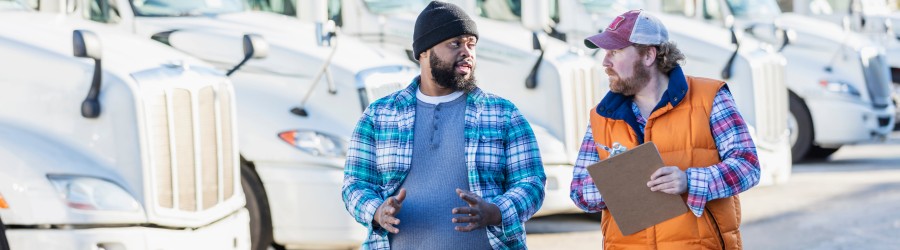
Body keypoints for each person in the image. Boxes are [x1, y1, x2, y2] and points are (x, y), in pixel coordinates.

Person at [341, 2, 545, 249]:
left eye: (471, 44)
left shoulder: (503, 114)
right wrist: (377, 211)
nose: (467, 52)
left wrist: (495, 212)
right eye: (455, 43)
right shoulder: (379, 115)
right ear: (424, 51)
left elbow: (531, 182)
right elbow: (355, 184)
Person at [570, 10, 761, 249]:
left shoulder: (710, 98)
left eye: (615, 52)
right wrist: (621, 186)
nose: (605, 62)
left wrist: (689, 181)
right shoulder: (601, 116)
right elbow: (579, 190)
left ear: (649, 55)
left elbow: (748, 165)